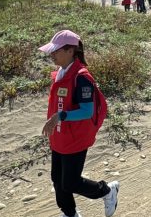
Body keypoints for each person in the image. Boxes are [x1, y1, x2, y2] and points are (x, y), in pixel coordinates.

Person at [39, 30, 119, 217]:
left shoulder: (81, 77)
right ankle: (70, 213)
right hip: (60, 136)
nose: (52, 55)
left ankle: (107, 191)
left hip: (75, 138)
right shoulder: (61, 73)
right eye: (51, 51)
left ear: (70, 51)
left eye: (56, 51)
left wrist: (59, 117)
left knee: (71, 182)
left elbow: (86, 111)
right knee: (57, 179)